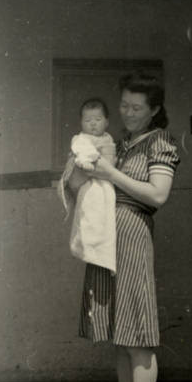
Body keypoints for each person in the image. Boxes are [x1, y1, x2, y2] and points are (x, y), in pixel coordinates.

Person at [70, 72, 180, 382]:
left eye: (137, 108)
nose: (128, 113)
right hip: (109, 240)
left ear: (155, 110)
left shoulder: (160, 141)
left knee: (138, 335)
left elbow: (158, 195)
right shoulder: (123, 141)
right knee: (122, 336)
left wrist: (110, 172)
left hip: (132, 238)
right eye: (124, 106)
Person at [58, 98, 117, 273]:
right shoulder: (80, 138)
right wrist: (86, 160)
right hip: (88, 181)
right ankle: (88, 243)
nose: (92, 125)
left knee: (103, 213)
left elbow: (110, 160)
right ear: (81, 123)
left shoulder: (108, 139)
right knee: (89, 211)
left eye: (97, 120)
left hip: (105, 183)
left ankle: (99, 248)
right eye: (87, 121)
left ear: (106, 122)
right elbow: (80, 150)